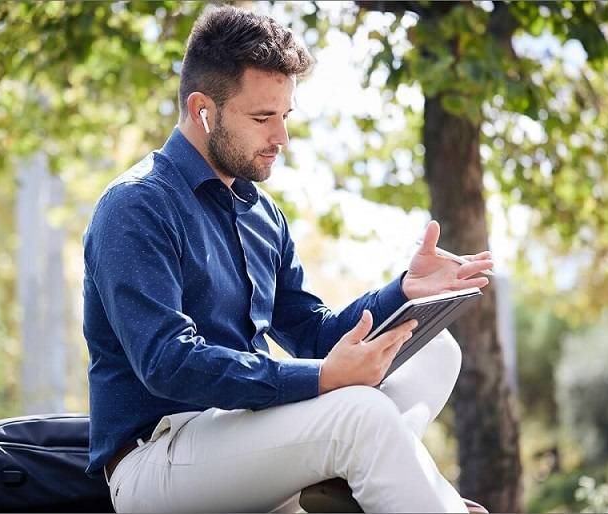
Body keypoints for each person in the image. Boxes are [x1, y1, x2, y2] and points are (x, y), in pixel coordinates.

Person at [82, 5, 493, 513]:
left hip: (250, 435)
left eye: (284, 116)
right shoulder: (137, 205)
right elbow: (167, 363)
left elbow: (312, 334)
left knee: (436, 350)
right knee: (359, 414)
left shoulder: (262, 216)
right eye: (262, 118)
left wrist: (403, 291)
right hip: (158, 458)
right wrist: (322, 380)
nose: (281, 138)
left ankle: (370, 476)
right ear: (201, 109)